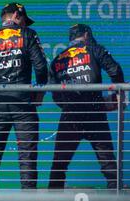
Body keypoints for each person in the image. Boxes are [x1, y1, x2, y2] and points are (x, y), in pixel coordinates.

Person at [0, 2, 48, 189]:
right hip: (23, 103)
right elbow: (41, 67)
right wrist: (39, 92)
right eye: (24, 20)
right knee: (27, 155)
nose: (25, 24)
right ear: (17, 15)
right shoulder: (28, 34)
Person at [48, 24, 125, 189]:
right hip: (94, 113)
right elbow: (115, 70)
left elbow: (55, 95)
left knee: (59, 166)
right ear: (86, 35)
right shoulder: (94, 49)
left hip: (70, 116)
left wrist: (70, 105)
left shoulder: (57, 60)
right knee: (108, 165)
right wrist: (119, 94)